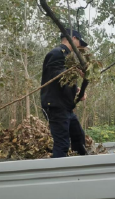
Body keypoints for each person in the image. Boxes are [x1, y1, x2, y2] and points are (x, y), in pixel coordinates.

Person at [41, 29, 88, 158]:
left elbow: (65, 83)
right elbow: (56, 76)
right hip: (56, 106)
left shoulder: (67, 58)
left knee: (78, 136)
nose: (79, 46)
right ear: (73, 38)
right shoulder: (57, 53)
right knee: (62, 144)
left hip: (66, 107)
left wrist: (77, 91)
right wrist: (76, 70)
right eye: (79, 42)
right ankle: (57, 174)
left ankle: (82, 165)